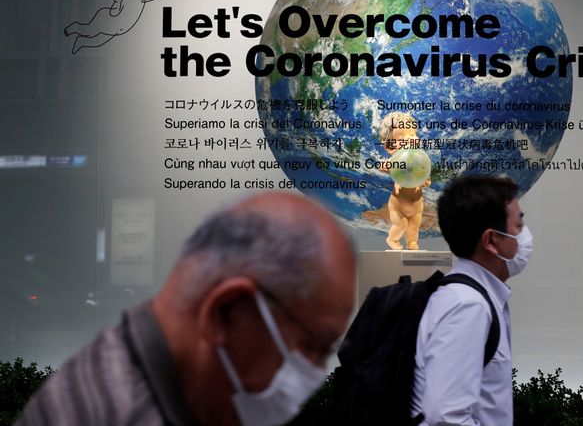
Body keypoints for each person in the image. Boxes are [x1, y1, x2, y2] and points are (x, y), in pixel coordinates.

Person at [15, 192, 356, 426]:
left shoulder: (163, 391)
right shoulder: (112, 412)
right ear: (225, 312)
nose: (315, 372)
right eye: (313, 345)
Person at [410, 175, 532, 426]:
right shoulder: (467, 306)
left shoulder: (474, 297)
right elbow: (446, 417)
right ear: (490, 241)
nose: (525, 235)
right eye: (518, 226)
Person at [378, 111, 430, 250]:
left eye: (413, 134)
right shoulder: (395, 160)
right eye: (405, 137)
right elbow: (386, 165)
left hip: (417, 205)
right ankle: (391, 239)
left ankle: (411, 242)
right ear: (390, 147)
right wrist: (385, 166)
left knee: (414, 226)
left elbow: (424, 176)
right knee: (401, 225)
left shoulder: (420, 160)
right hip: (398, 205)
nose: (412, 139)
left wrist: (425, 182)